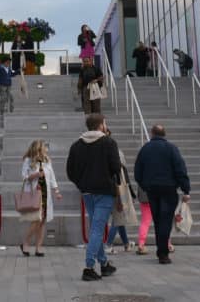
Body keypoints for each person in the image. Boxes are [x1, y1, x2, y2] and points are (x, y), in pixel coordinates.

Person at [67, 113, 121, 281]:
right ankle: (88, 267)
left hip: (87, 192)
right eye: (104, 123)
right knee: (97, 229)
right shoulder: (108, 142)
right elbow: (116, 167)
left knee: (95, 228)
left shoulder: (76, 145)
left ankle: (104, 264)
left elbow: (70, 170)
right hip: (104, 191)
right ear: (100, 125)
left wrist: (81, 183)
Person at [134, 125, 190, 265]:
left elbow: (137, 172)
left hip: (152, 190)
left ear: (152, 133)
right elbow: (180, 169)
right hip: (169, 189)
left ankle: (161, 250)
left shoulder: (145, 149)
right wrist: (186, 189)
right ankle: (163, 253)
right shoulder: (172, 148)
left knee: (158, 220)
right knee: (165, 220)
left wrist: (145, 185)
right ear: (164, 134)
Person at [20, 139, 62, 257]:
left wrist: (57, 191)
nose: (46, 149)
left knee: (43, 221)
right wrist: (36, 175)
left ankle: (38, 247)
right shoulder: (28, 161)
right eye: (44, 147)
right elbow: (24, 177)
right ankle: (25, 242)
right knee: (36, 220)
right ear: (38, 148)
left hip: (45, 195)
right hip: (35, 194)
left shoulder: (47, 160)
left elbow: (52, 177)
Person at [106, 141, 135, 254]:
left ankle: (126, 244)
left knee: (120, 219)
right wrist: (123, 199)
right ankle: (108, 244)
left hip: (111, 193)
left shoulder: (111, 167)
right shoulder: (119, 169)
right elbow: (125, 182)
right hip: (118, 195)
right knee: (118, 220)